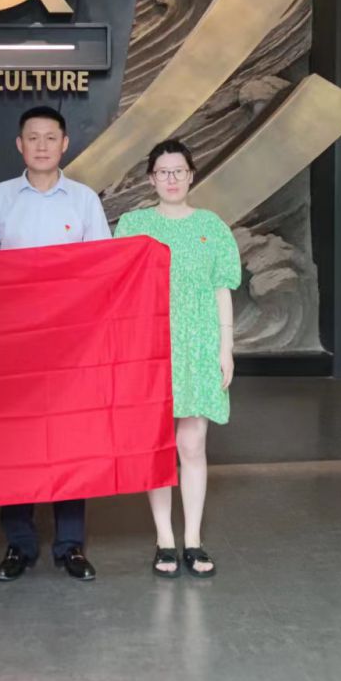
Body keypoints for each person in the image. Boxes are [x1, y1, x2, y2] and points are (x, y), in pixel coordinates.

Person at [0, 106, 111, 582]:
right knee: (15, 442)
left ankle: (71, 546)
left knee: (71, 442)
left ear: (65, 144)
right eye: (33, 137)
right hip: (12, 344)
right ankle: (19, 544)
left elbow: (102, 269)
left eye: (51, 137)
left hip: (72, 345)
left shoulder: (84, 200)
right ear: (20, 145)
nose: (43, 145)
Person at [113, 139, 240, 579]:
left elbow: (222, 288)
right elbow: (120, 287)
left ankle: (193, 539)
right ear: (151, 179)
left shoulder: (211, 226)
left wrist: (225, 348)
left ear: (191, 175)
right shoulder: (134, 225)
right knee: (158, 447)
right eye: (163, 172)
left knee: (192, 444)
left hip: (200, 345)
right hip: (151, 347)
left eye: (179, 171)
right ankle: (164, 539)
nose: (171, 179)